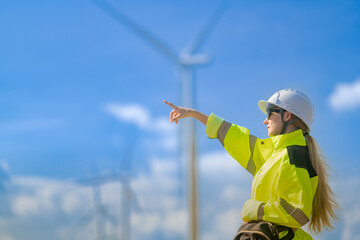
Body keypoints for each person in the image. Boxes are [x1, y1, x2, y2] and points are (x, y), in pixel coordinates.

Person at [164, 89, 338, 240]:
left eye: (270, 112)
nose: (265, 120)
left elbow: (296, 213)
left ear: (287, 115)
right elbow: (234, 136)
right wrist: (194, 114)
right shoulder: (272, 155)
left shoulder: (294, 156)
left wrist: (254, 209)